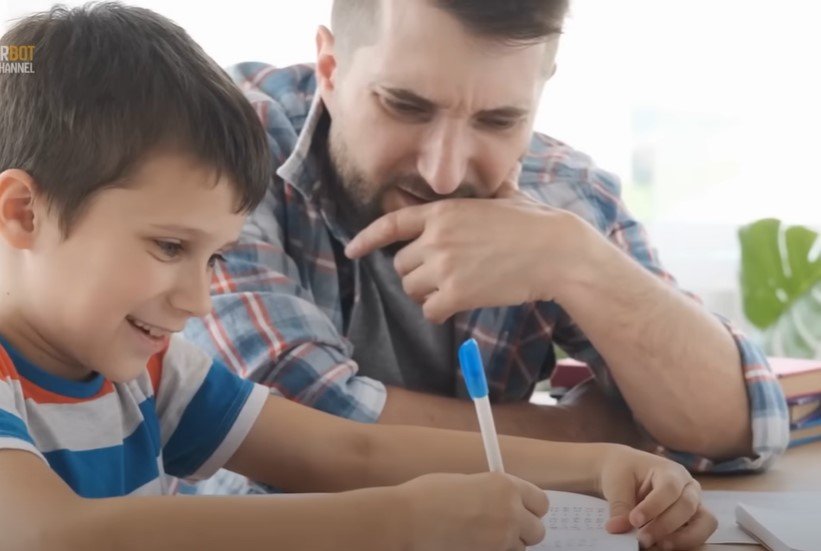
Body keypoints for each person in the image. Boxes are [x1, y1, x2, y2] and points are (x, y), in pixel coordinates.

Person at [0, 4, 718, 550]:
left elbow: (349, 448)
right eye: (167, 246)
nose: (193, 299)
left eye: (212, 257)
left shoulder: (154, 374)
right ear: (23, 212)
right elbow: (49, 534)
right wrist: (400, 519)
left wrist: (598, 463)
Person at [183, 0, 789, 497]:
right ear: (331, 66)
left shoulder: (559, 189)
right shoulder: (225, 142)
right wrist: (581, 435)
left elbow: (740, 425)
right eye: (406, 105)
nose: (444, 173)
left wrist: (577, 262)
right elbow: (289, 430)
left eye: (498, 121)